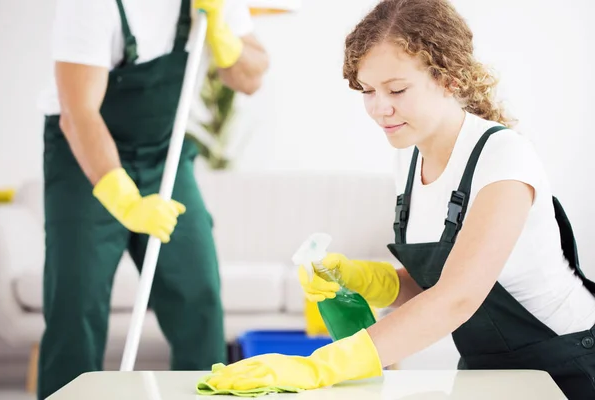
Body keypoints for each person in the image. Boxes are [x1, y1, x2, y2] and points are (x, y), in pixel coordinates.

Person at [199, 1, 595, 399]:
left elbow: (458, 296)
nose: (379, 108)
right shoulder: (408, 158)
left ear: (450, 78)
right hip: (486, 369)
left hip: (564, 364)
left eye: (397, 89)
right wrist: (364, 279)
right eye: (368, 91)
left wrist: (318, 365)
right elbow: (435, 283)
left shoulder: (503, 157)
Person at [36, 0, 268, 398]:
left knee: (199, 294)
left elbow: (250, 77)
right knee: (76, 303)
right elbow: (78, 115)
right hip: (82, 159)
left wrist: (223, 38)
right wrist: (125, 200)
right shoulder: (90, 6)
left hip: (165, 157)